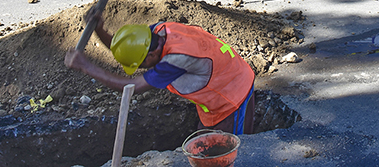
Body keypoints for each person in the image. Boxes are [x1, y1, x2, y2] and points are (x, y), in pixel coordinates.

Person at [64, 14, 256, 135]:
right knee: (205, 140)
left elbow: (133, 87)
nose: (141, 68)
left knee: (229, 150)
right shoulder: (157, 32)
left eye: (142, 64)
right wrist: (99, 31)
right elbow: (125, 47)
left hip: (232, 94)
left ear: (153, 55)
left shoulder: (176, 59)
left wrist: (86, 67)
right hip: (215, 88)